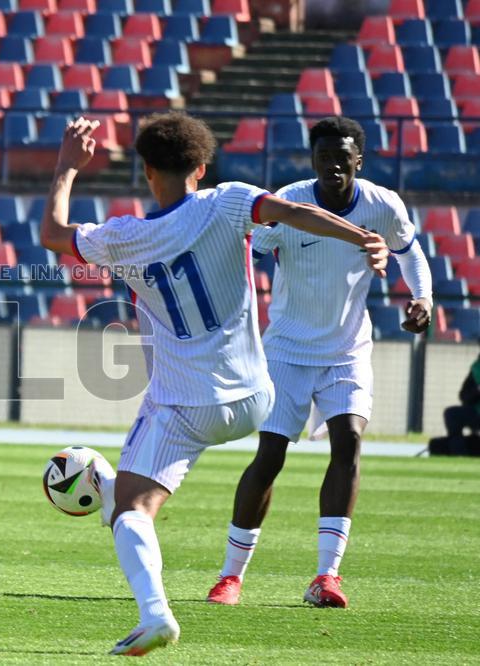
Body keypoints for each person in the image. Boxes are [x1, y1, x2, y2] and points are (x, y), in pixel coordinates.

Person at [39, 113, 389, 656]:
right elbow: (294, 212)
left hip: (184, 406)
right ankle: (112, 486)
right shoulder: (228, 201)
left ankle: (154, 613)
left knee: (131, 512)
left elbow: (53, 235)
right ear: (201, 167)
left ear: (147, 170)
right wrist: (362, 236)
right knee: (134, 491)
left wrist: (67, 167)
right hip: (253, 398)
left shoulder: (123, 237)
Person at [206, 116, 433, 609]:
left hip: (347, 351)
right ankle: (230, 577)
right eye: (323, 156)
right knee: (270, 455)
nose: (332, 164)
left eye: (341, 156)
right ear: (312, 160)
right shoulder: (288, 203)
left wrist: (422, 298)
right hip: (286, 350)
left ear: (358, 161)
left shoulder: (382, 205)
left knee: (348, 440)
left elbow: (410, 253)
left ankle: (326, 576)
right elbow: (249, 251)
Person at [440, 347, 480, 453]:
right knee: (452, 414)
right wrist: (477, 390)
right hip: (477, 412)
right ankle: (459, 453)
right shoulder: (476, 369)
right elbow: (463, 396)